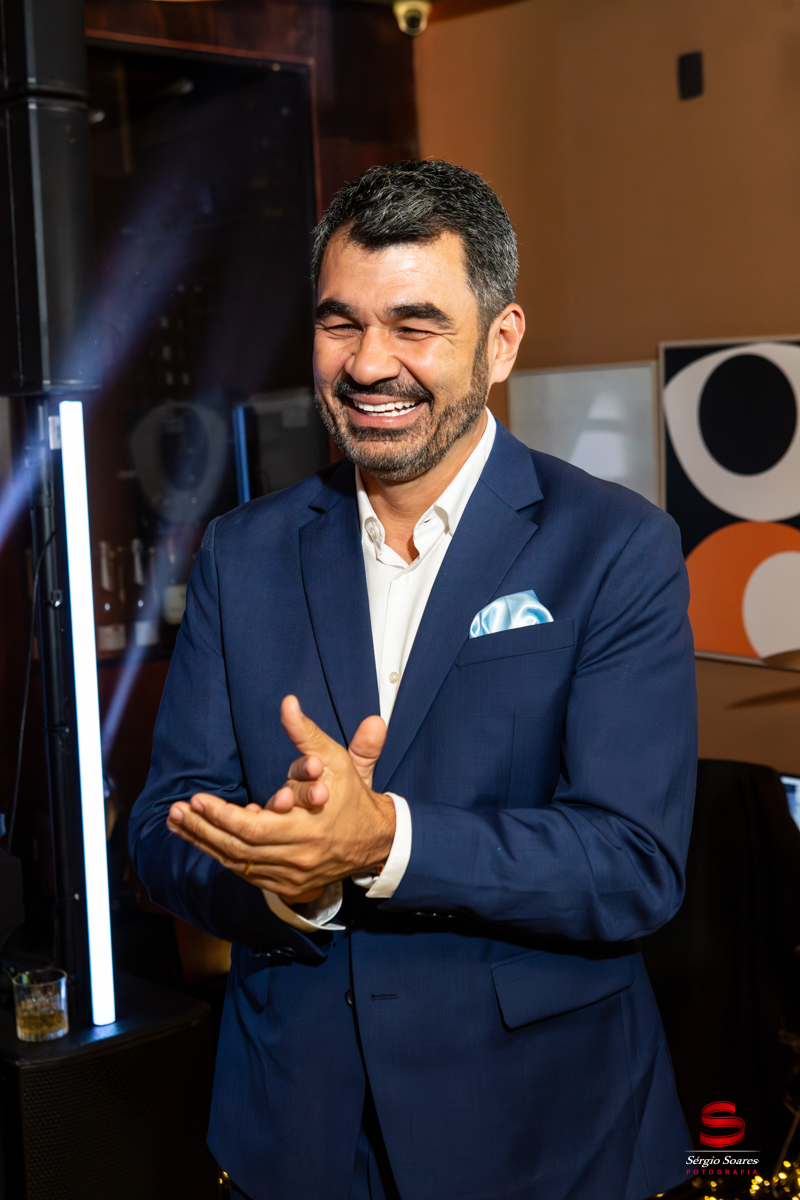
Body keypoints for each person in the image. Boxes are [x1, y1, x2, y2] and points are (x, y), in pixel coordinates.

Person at [130, 160, 697, 1200]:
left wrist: (384, 840)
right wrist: (284, 880)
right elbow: (164, 826)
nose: (367, 363)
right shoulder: (240, 553)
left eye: (415, 324)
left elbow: (632, 864)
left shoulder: (615, 546)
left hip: (544, 1134)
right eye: (340, 323)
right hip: (293, 1130)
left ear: (501, 342)